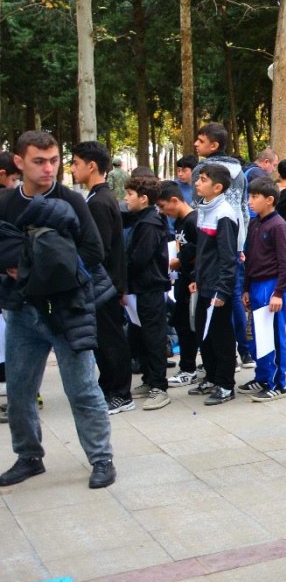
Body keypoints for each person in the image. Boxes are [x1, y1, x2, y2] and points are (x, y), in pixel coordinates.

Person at [0, 131, 117, 489]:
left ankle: (102, 460)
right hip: (22, 312)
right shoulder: (5, 203)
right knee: (19, 391)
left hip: (68, 310)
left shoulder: (73, 201)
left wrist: (49, 268)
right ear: (19, 162)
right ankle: (29, 457)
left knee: (82, 389)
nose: (49, 168)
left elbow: (95, 252)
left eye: (53, 160)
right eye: (39, 161)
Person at [71, 141, 133, 415]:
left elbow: (100, 249)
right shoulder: (97, 198)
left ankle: (121, 393)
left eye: (75, 163)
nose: (72, 169)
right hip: (105, 282)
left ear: (91, 166)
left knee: (111, 340)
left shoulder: (99, 202)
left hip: (104, 283)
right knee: (104, 339)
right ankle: (109, 386)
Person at [188, 164, 240, 406]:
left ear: (217, 187)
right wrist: (195, 278)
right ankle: (211, 375)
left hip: (218, 288)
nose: (197, 182)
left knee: (221, 336)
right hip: (204, 283)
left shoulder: (225, 213)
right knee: (202, 332)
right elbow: (203, 252)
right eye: (198, 178)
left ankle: (225, 384)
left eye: (203, 179)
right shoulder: (203, 208)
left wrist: (222, 290)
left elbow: (228, 256)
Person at [239, 179, 286, 401]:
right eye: (249, 196)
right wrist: (245, 288)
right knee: (258, 336)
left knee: (274, 335)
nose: (250, 201)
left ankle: (279, 383)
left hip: (273, 285)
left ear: (269, 200)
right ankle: (262, 376)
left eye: (254, 197)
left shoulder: (279, 226)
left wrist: (279, 293)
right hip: (256, 284)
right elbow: (249, 259)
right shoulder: (255, 223)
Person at [123, 175, 172, 411]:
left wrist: (122, 272)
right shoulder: (140, 220)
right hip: (138, 288)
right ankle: (148, 379)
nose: (125, 198)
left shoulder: (150, 223)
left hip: (149, 287)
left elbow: (139, 258)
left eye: (130, 194)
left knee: (153, 336)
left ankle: (159, 386)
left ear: (143, 199)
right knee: (140, 335)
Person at [156, 181, 201, 388]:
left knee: (187, 326)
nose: (163, 212)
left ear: (175, 200)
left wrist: (180, 261)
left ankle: (189, 368)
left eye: (164, 206)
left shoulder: (193, 221)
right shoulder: (181, 222)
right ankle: (189, 365)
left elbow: (197, 251)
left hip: (192, 281)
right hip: (182, 279)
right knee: (182, 324)